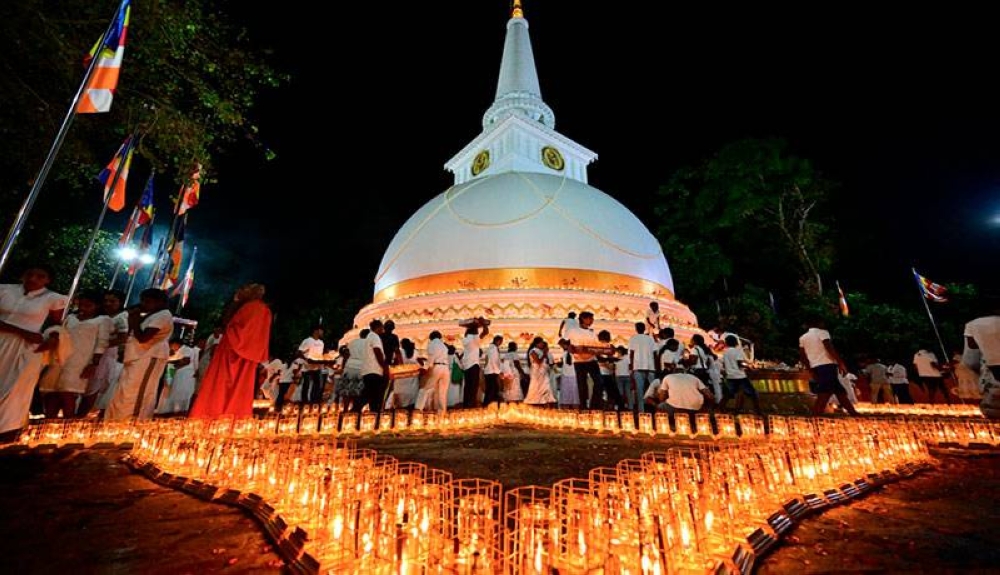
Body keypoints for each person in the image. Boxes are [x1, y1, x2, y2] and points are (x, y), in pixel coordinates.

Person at [0, 264, 67, 440]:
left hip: (26, 348)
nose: (33, 279)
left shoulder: (53, 298)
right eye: (30, 274)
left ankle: (7, 429)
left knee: (16, 387)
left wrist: (53, 337)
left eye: (40, 276)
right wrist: (22, 332)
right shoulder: (5, 290)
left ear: (48, 280)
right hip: (5, 340)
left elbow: (56, 324)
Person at [187, 284, 272, 419]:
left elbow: (229, 324)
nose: (241, 292)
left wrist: (236, 302)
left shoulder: (253, 308)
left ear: (252, 293)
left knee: (221, 386)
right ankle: (232, 416)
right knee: (238, 388)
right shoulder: (262, 309)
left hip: (233, 352)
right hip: (245, 355)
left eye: (244, 289)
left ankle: (213, 414)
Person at [38, 290, 109, 420]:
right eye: (81, 305)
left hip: (81, 360)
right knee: (52, 391)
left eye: (88, 306)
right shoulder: (70, 318)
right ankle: (49, 423)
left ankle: (68, 425)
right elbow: (61, 333)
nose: (83, 308)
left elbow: (102, 343)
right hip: (61, 356)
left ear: (97, 306)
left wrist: (93, 364)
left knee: (68, 392)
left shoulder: (102, 320)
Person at [105, 289, 173, 421]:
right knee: (126, 390)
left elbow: (143, 337)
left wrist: (135, 320)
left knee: (137, 392)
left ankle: (130, 423)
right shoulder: (152, 315)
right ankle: (115, 421)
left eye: (147, 301)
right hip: (137, 357)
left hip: (148, 357)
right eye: (142, 300)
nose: (143, 304)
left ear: (160, 302)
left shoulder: (163, 315)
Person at [78, 289, 127, 417]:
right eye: (106, 300)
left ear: (120, 303)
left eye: (112, 301)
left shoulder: (121, 318)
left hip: (104, 355)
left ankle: (80, 417)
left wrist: (101, 344)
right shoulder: (99, 315)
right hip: (86, 352)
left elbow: (123, 338)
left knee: (93, 386)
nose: (108, 303)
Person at [798, 315, 858, 416]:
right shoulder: (823, 333)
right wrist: (840, 363)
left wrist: (811, 370)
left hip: (816, 366)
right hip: (827, 365)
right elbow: (829, 348)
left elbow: (803, 357)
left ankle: (853, 413)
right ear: (819, 323)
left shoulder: (803, 338)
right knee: (825, 392)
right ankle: (815, 414)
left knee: (839, 391)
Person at [718, 335, 763, 415]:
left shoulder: (725, 352)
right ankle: (758, 411)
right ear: (736, 342)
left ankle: (720, 409)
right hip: (740, 376)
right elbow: (740, 363)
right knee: (753, 393)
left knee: (729, 394)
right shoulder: (737, 351)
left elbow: (724, 364)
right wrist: (749, 368)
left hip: (730, 376)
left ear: (726, 343)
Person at [155, 337, 200, 414]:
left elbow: (186, 361)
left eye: (171, 345)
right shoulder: (173, 352)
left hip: (184, 376)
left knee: (180, 393)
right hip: (172, 373)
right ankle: (165, 409)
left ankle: (178, 410)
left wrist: (171, 364)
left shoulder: (187, 350)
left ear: (175, 344)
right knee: (168, 392)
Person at [353, 319, 388, 413]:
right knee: (370, 394)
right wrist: (384, 367)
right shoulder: (375, 337)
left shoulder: (369, 337)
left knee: (372, 395)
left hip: (369, 370)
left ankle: (373, 414)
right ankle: (354, 411)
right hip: (374, 370)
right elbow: (377, 351)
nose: (383, 329)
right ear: (378, 327)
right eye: (382, 327)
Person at [460, 319, 489, 408]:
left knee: (467, 386)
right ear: (475, 332)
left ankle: (466, 405)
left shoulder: (465, 339)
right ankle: (471, 406)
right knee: (473, 386)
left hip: (466, 365)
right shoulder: (475, 339)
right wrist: (484, 324)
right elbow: (486, 332)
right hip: (473, 365)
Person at [297, 325, 325, 405]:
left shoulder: (321, 343)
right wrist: (306, 359)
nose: (322, 332)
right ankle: (304, 402)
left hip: (317, 367)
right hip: (307, 367)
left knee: (317, 385)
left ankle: (314, 401)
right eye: (321, 330)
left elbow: (320, 355)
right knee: (306, 385)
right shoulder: (307, 341)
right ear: (316, 331)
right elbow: (299, 352)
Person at [524, 337, 557, 405]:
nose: (542, 344)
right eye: (541, 343)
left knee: (546, 387)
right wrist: (544, 353)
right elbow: (538, 361)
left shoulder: (542, 351)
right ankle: (535, 402)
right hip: (537, 372)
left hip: (544, 372)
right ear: (537, 343)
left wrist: (546, 354)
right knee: (536, 387)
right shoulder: (533, 351)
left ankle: (545, 401)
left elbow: (547, 362)